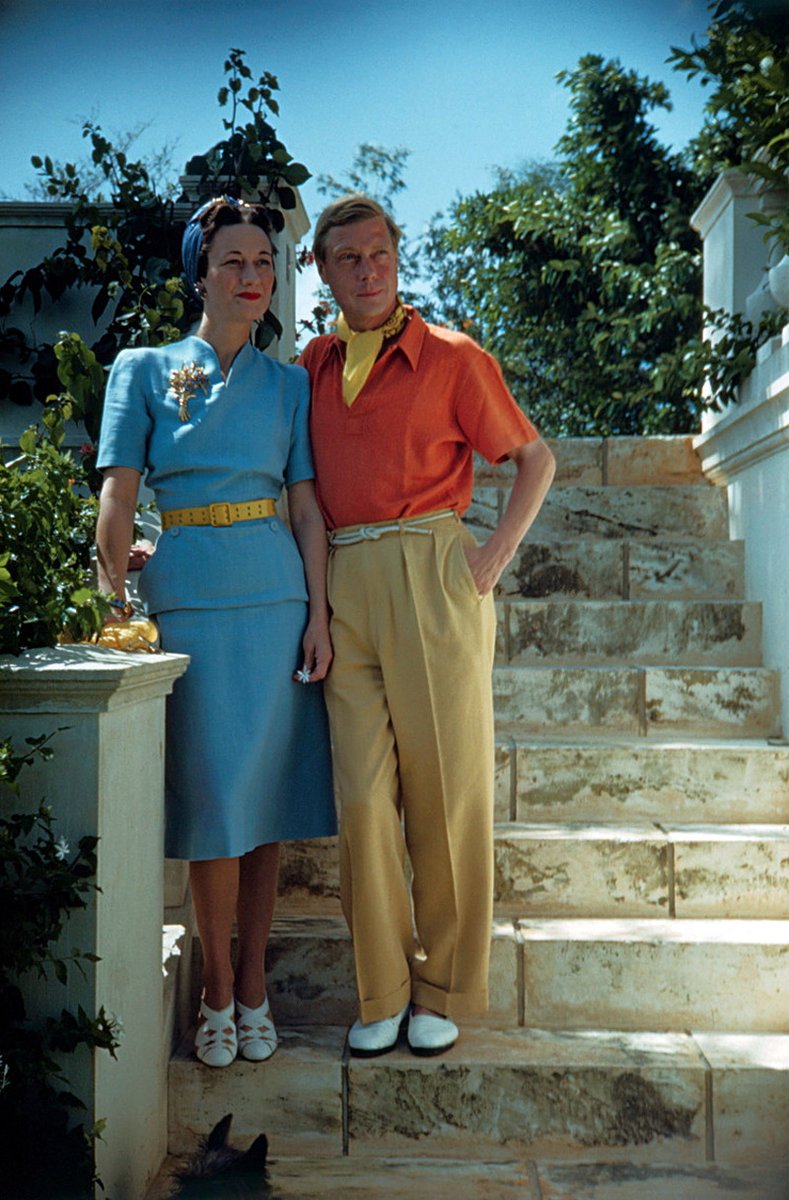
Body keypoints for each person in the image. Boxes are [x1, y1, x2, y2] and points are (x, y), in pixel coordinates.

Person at [300, 194, 555, 1057]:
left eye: (378, 253)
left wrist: (491, 556)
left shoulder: (451, 357)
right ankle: (381, 988)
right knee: (362, 798)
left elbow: (533, 458)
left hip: (431, 569)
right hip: (343, 582)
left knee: (446, 792)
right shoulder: (310, 365)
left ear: (396, 258)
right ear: (322, 270)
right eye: (347, 257)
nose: (366, 269)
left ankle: (441, 986)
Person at [95, 196, 336, 1069]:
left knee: (264, 804)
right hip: (187, 603)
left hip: (275, 604)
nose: (251, 276)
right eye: (232, 261)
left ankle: (255, 984)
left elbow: (305, 508)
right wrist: (112, 594)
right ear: (199, 273)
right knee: (214, 805)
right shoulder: (143, 369)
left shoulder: (290, 383)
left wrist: (319, 615)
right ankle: (214, 989)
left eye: (263, 262)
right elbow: (118, 494)